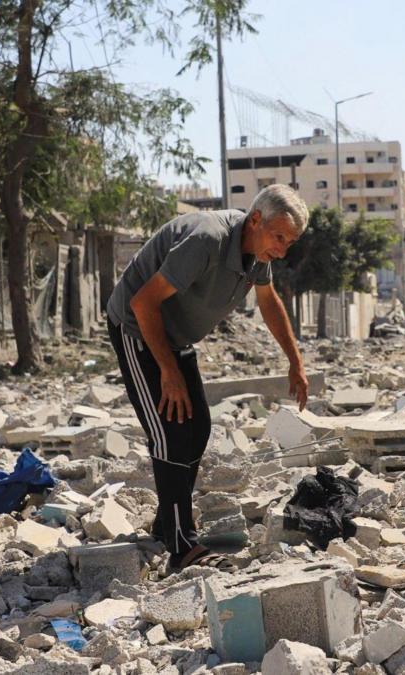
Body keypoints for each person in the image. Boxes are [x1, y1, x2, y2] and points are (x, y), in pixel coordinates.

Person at [105, 184, 309, 572]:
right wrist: (168, 372)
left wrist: (295, 361)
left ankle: (168, 524)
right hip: (137, 327)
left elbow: (268, 302)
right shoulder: (206, 240)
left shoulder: (257, 251)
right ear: (255, 221)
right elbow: (142, 302)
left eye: (290, 242)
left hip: (175, 335)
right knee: (170, 432)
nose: (282, 250)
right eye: (279, 237)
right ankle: (182, 548)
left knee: (197, 428)